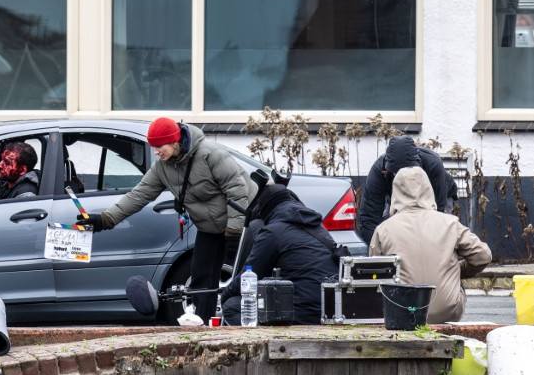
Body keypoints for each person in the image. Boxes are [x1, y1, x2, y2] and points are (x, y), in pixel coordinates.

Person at [80, 117, 253, 318]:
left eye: (159, 146)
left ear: (174, 141)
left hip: (242, 225)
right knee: (200, 279)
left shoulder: (210, 155)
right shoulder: (162, 167)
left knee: (247, 278)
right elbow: (139, 195)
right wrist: (105, 219)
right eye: (153, 146)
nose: (155, 151)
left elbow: (238, 192)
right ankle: (202, 326)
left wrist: (234, 232)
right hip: (209, 228)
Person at [368, 166, 491, 323]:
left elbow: (374, 273)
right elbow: (483, 256)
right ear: (428, 189)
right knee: (451, 279)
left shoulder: (383, 229)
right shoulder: (450, 223)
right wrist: (458, 271)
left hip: (402, 313)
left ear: (395, 192)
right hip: (448, 312)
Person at [218, 184, 339, 325]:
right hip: (332, 309)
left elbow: (248, 277)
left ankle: (265, 344)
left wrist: (224, 295)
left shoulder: (272, 232)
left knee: (233, 306)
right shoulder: (317, 226)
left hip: (302, 312)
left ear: (266, 210)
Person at [358, 135, 459, 245]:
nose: (403, 176)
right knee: (389, 231)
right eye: (397, 172)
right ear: (388, 169)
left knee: (434, 235)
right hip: (397, 198)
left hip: (434, 200)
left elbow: (437, 212)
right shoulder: (379, 170)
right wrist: (376, 252)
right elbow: (369, 217)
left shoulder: (433, 164)